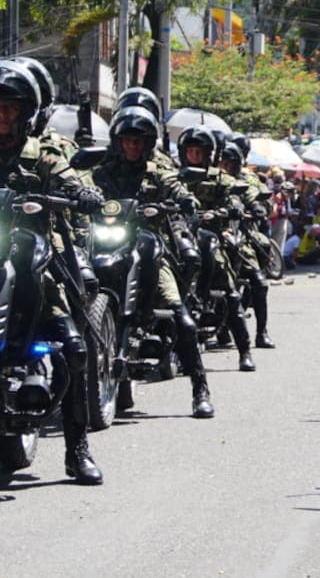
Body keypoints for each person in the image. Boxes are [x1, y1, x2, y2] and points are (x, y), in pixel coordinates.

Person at [0, 64, 105, 482]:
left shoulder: (43, 150)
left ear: (26, 113)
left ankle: (77, 451)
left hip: (32, 252)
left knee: (74, 351)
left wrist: (81, 192)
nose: (3, 118)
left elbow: (67, 175)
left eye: (10, 110)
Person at [87, 106, 213, 418]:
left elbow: (177, 185)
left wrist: (185, 201)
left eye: (139, 142)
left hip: (149, 248)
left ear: (148, 145)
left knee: (180, 315)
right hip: (108, 242)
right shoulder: (102, 170)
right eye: (128, 141)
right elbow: (82, 184)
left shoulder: (158, 171)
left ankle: (200, 389)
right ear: (118, 142)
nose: (132, 147)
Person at [177, 126, 257, 373]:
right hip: (180, 236)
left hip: (213, 236)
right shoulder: (175, 176)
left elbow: (235, 195)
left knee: (230, 290)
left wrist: (233, 207)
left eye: (198, 152)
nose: (194, 156)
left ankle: (245, 350)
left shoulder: (219, 178)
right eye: (189, 151)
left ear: (209, 153)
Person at [219, 144, 275, 350]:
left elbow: (255, 196)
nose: (225, 166)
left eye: (229, 163)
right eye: (221, 162)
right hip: (212, 234)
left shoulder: (246, 180)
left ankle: (262, 332)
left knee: (260, 282)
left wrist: (258, 207)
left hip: (240, 236)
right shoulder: (206, 177)